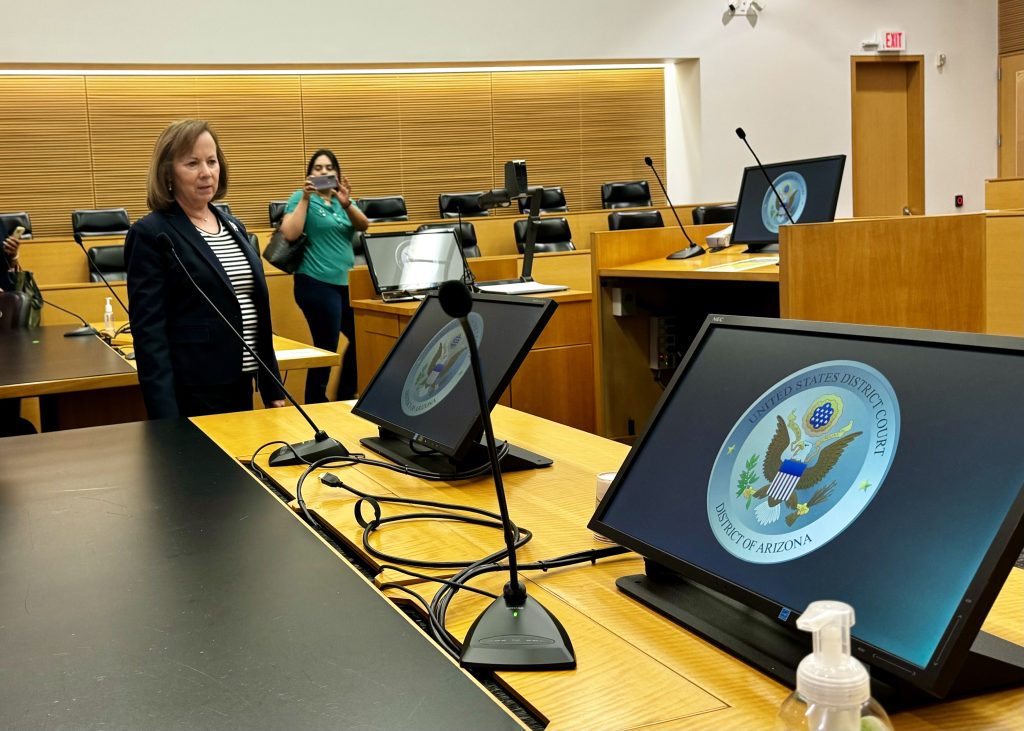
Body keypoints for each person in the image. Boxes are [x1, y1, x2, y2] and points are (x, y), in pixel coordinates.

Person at [125, 119, 287, 419]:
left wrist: (272, 384)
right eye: (192, 163)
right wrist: (165, 416)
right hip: (193, 390)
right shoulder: (152, 234)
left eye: (212, 161)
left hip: (242, 380)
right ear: (168, 172)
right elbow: (149, 335)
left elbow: (254, 309)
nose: (206, 172)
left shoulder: (233, 225)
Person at [279, 148, 369, 403]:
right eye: (318, 169)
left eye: (329, 168)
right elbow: (290, 233)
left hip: (344, 285)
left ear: (337, 174)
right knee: (325, 348)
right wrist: (306, 199)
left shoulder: (343, 201)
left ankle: (344, 394)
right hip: (315, 283)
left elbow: (363, 225)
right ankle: (316, 402)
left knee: (361, 338)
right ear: (310, 175)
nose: (324, 172)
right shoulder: (300, 197)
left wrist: (347, 202)